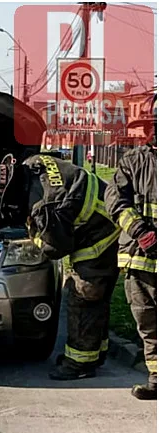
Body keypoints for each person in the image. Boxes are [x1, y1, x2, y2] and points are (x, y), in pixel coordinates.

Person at [0, 153, 120, 380]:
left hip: (101, 236)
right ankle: (96, 354)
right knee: (97, 299)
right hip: (106, 212)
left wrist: (32, 233)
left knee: (83, 296)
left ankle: (79, 364)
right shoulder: (34, 162)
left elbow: (56, 249)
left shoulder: (44, 207)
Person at [105, 118, 157, 400]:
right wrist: (140, 231)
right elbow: (115, 200)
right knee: (147, 320)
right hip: (141, 258)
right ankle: (156, 378)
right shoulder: (132, 162)